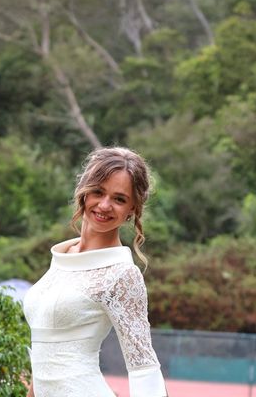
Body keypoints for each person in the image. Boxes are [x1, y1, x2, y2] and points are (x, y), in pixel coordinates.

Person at [23, 147, 167, 397]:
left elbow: (143, 365)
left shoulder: (122, 274)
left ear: (132, 209)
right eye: (98, 192)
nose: (104, 205)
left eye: (119, 199)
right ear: (84, 192)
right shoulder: (62, 258)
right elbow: (45, 355)